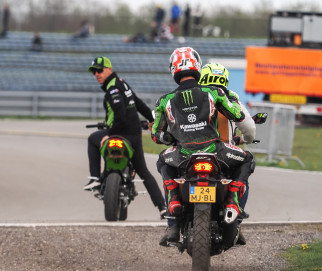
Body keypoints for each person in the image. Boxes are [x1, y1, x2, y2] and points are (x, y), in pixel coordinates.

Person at [152, 47, 255, 245]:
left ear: (173, 69)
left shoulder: (164, 100)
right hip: (216, 151)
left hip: (182, 154)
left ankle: (173, 200)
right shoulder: (213, 92)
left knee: (162, 161)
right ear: (197, 66)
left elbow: (156, 135)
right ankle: (233, 199)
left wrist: (169, 137)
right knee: (247, 159)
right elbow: (237, 115)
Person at [84, 56, 166, 218]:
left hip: (121, 132)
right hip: (134, 134)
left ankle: (95, 178)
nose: (97, 74)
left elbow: (120, 115)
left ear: (109, 69)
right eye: (94, 72)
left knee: (93, 139)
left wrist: (108, 135)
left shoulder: (113, 89)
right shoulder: (122, 83)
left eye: (99, 70)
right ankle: (163, 208)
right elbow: (138, 103)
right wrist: (151, 120)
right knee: (143, 172)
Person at [198, 63, 256, 245]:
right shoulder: (230, 97)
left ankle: (172, 221)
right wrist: (246, 138)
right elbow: (249, 127)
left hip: (190, 151)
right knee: (245, 169)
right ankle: (236, 219)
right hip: (223, 153)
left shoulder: (190, 95)